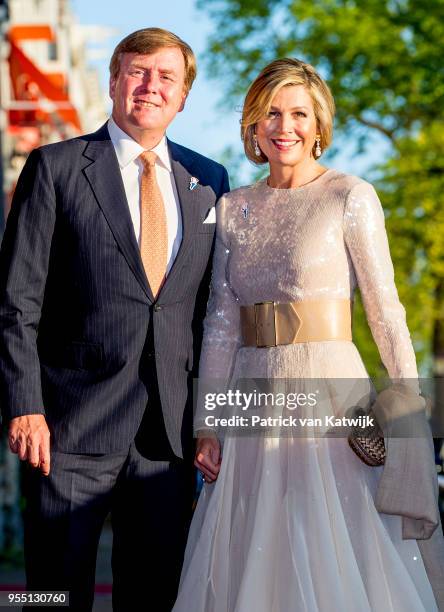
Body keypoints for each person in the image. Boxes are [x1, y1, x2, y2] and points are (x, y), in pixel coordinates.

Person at [172, 58, 443, 611]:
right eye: (270, 112)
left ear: (319, 125)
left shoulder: (351, 195)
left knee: (334, 536)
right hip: (250, 397)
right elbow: (220, 323)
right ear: (252, 125)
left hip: (331, 397)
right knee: (251, 543)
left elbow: (384, 307)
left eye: (298, 113)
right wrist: (209, 425)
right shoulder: (233, 207)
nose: (283, 126)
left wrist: (408, 401)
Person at [0, 27, 229, 611]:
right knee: (53, 593)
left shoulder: (210, 183)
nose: (151, 86)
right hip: (67, 430)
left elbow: (214, 316)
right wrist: (25, 406)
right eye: (138, 71)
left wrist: (211, 418)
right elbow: (16, 302)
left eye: (166, 77)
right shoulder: (53, 168)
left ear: (183, 98)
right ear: (114, 80)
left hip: (168, 440)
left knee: (153, 596)